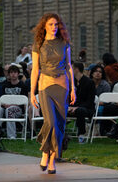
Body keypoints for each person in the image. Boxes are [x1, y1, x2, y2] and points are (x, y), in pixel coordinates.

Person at [30, 13, 76, 174]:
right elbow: (35, 69)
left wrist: (73, 89)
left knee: (60, 124)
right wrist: (31, 92)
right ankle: (44, 152)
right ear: (44, 26)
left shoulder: (64, 42)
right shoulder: (39, 43)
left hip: (62, 86)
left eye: (56, 24)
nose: (54, 27)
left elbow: (69, 66)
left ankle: (52, 160)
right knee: (50, 122)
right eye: (50, 24)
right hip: (45, 86)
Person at [0, 64, 28, 139]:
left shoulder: (22, 86)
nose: (13, 74)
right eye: (11, 72)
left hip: (18, 108)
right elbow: (1, 99)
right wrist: (5, 105)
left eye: (15, 72)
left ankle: (11, 135)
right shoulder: (4, 85)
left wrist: (12, 105)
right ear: (9, 74)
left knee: (10, 110)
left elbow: (24, 101)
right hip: (5, 106)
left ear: (18, 74)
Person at [68, 62, 95, 142]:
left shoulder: (89, 82)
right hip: (72, 107)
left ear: (76, 70)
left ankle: (81, 135)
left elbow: (90, 101)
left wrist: (77, 107)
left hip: (86, 108)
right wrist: (69, 107)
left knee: (80, 111)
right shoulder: (71, 82)